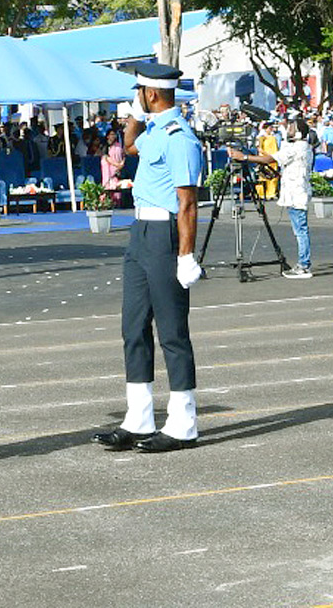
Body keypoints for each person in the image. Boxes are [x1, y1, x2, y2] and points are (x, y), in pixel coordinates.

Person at [92, 61, 204, 454]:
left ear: (151, 93)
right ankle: (139, 417)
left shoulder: (179, 137)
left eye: (139, 92)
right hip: (140, 234)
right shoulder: (156, 129)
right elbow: (129, 145)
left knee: (172, 332)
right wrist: (137, 117)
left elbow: (188, 203)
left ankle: (183, 422)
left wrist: (186, 255)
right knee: (133, 327)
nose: (135, 98)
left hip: (165, 233)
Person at [230, 117, 314, 279]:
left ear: (297, 133)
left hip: (296, 193)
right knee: (300, 230)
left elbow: (270, 159)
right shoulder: (304, 146)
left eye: (291, 128)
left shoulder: (295, 148)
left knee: (300, 231)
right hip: (297, 191)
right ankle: (303, 263)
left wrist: (244, 158)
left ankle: (304, 265)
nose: (287, 131)